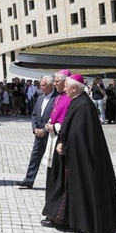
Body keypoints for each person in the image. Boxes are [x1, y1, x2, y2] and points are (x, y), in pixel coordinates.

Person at [41, 74, 116, 233]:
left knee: (75, 190)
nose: (64, 89)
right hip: (73, 156)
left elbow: (78, 133)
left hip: (79, 158)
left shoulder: (84, 105)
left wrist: (64, 145)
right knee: (68, 189)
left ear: (73, 88)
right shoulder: (78, 101)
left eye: (66, 86)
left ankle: (76, 222)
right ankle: (65, 219)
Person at [17, 76, 58, 189]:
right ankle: (29, 180)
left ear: (51, 85)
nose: (41, 87)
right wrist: (35, 129)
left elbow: (57, 118)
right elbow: (34, 115)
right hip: (38, 134)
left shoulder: (57, 99)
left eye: (43, 85)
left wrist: (45, 130)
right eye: (40, 85)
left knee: (53, 160)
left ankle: (54, 184)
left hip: (50, 135)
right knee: (34, 157)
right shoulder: (39, 98)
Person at [41, 69, 72, 200]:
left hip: (61, 138)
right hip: (52, 136)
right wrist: (49, 123)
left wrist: (54, 126)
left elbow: (68, 120)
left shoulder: (70, 98)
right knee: (51, 171)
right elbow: (54, 114)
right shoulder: (58, 96)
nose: (55, 84)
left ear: (66, 82)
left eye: (57, 81)